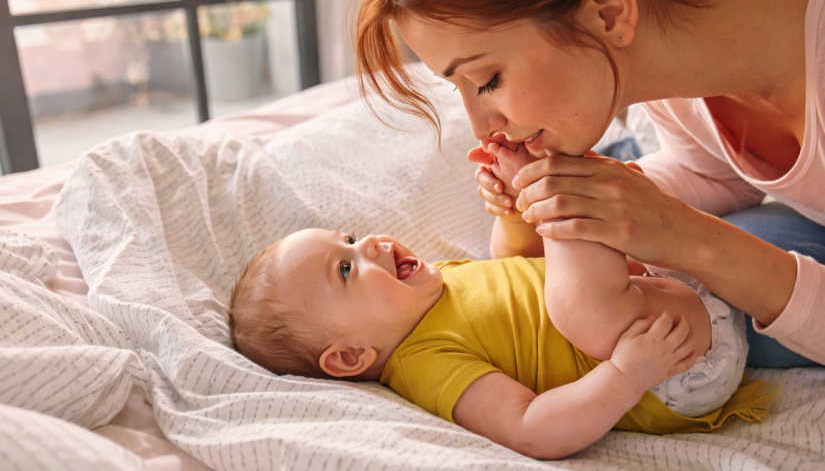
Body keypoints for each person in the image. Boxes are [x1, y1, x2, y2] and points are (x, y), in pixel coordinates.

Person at [354, 0, 825, 367]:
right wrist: (558, 205)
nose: (481, 128)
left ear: (608, 10)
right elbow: (711, 173)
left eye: (487, 79)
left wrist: (691, 239)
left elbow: (689, 232)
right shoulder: (670, 63)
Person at [227, 140, 774, 458]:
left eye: (348, 237)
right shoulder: (425, 364)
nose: (367, 243)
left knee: (571, 286)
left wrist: (512, 214)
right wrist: (628, 374)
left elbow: (518, 265)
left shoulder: (435, 285)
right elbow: (532, 429)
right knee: (582, 310)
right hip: (671, 366)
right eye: (346, 268)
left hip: (664, 293)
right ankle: (562, 195)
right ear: (350, 356)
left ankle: (553, 197)